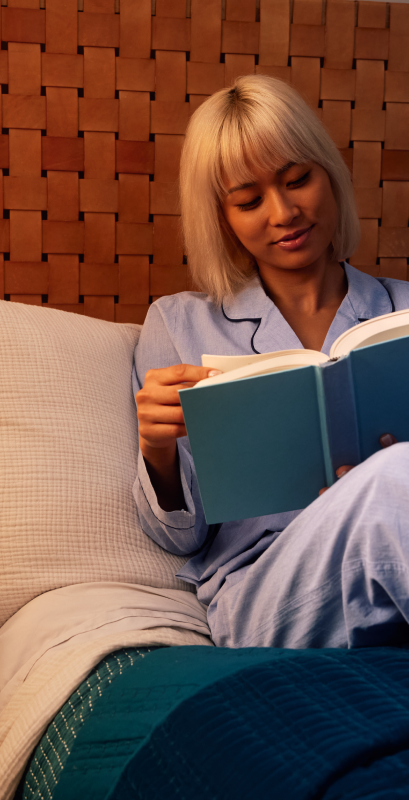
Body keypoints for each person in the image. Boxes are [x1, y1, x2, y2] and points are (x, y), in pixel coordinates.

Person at [133, 74, 409, 650]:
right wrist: (156, 451)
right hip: (265, 590)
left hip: (391, 557)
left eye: (297, 180)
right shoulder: (179, 324)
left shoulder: (401, 311)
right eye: (249, 200)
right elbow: (176, 539)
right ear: (222, 217)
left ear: (328, 175)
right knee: (395, 479)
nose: (284, 212)